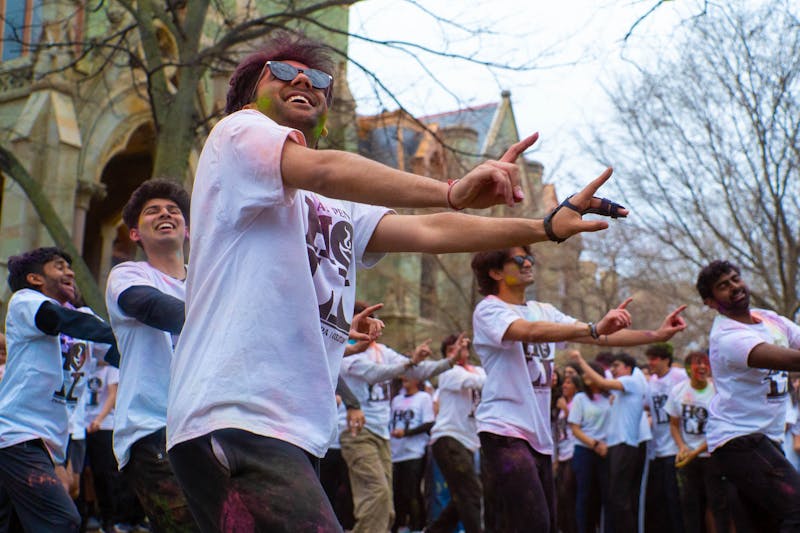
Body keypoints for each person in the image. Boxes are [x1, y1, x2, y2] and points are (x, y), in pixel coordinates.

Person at [165, 30, 630, 532]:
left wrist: (542, 228)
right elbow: (323, 168)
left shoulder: (335, 205)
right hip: (233, 414)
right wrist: (451, 189)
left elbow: (428, 229)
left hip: (295, 429)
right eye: (280, 71)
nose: (303, 78)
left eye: (319, 78)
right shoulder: (238, 133)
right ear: (247, 96)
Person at [470, 247, 686, 532]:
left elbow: (600, 337)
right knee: (533, 522)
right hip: (503, 431)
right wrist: (595, 328)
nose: (528, 264)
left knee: (538, 523)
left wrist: (655, 335)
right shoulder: (489, 309)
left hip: (539, 436)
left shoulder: (543, 310)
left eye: (530, 258)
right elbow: (530, 332)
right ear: (495, 272)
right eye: (518, 260)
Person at [0, 248, 118, 532]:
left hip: (56, 437)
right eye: (59, 266)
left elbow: (117, 351)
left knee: (15, 523)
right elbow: (55, 318)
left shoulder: (83, 317)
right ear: (35, 278)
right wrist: (120, 333)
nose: (70, 273)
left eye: (70, 267)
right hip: (17, 433)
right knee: (61, 520)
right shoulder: (26, 302)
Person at [105, 179, 195, 531]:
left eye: (173, 211)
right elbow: (153, 307)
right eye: (152, 211)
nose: (165, 214)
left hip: (211, 427)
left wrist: (332, 332)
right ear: (134, 234)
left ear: (187, 230)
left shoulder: (208, 283)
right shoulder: (128, 275)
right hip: (154, 430)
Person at [696, 259, 800, 530]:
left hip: (766, 439)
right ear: (710, 301)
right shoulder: (728, 337)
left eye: (735, 279)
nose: (734, 287)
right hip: (739, 440)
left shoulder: (769, 318)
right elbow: (792, 361)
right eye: (723, 286)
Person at [339, 308, 456, 533]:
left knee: (387, 510)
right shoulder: (346, 354)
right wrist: (409, 364)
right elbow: (375, 374)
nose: (376, 326)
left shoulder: (383, 351)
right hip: (358, 435)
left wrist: (449, 362)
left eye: (375, 321)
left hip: (382, 437)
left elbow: (418, 371)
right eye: (369, 321)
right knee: (376, 498)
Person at [570, 352, 657, 533]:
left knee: (620, 499)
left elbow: (601, 382)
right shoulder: (618, 392)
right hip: (615, 446)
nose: (613, 370)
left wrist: (580, 361)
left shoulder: (632, 382)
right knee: (615, 498)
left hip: (625, 445)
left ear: (628, 368)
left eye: (617, 366)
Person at [664, 351, 730, 533]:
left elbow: (721, 429)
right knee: (689, 504)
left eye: (705, 364)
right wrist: (682, 446)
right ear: (687, 369)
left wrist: (697, 451)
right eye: (697, 364)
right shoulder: (678, 391)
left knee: (717, 503)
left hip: (711, 456)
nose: (702, 367)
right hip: (688, 458)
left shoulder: (717, 392)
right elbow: (674, 424)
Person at [427, 334, 485, 533]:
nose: (460, 350)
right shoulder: (447, 371)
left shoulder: (477, 370)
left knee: (463, 496)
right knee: (471, 493)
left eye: (462, 347)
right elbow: (478, 383)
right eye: (453, 349)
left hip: (469, 442)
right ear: (447, 355)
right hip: (448, 438)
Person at [643, 343, 687, 533]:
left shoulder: (679, 377)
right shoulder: (651, 382)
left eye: (654, 358)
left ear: (665, 360)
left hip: (675, 448)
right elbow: (645, 405)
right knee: (658, 500)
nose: (650, 363)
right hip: (656, 449)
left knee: (675, 499)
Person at [568, 361, 611, 533]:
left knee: (606, 496)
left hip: (606, 452)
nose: (585, 376)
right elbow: (575, 428)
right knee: (585, 496)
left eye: (589, 373)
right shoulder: (580, 398)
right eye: (584, 373)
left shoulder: (610, 397)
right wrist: (594, 444)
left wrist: (606, 446)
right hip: (585, 451)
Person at [390, 375, 435, 533]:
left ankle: (419, 526)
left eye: (411, 374)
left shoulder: (423, 398)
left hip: (415, 451)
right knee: (397, 491)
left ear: (417, 378)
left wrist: (407, 433)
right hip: (396, 452)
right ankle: (400, 525)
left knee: (413, 491)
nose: (405, 377)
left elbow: (429, 423)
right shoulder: (396, 399)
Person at [554, 370, 580, 533]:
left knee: (568, 494)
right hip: (562, 453)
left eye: (569, 383)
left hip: (574, 452)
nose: (564, 385)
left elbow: (580, 424)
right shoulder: (560, 405)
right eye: (564, 382)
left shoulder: (577, 402)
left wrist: (566, 409)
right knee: (561, 496)